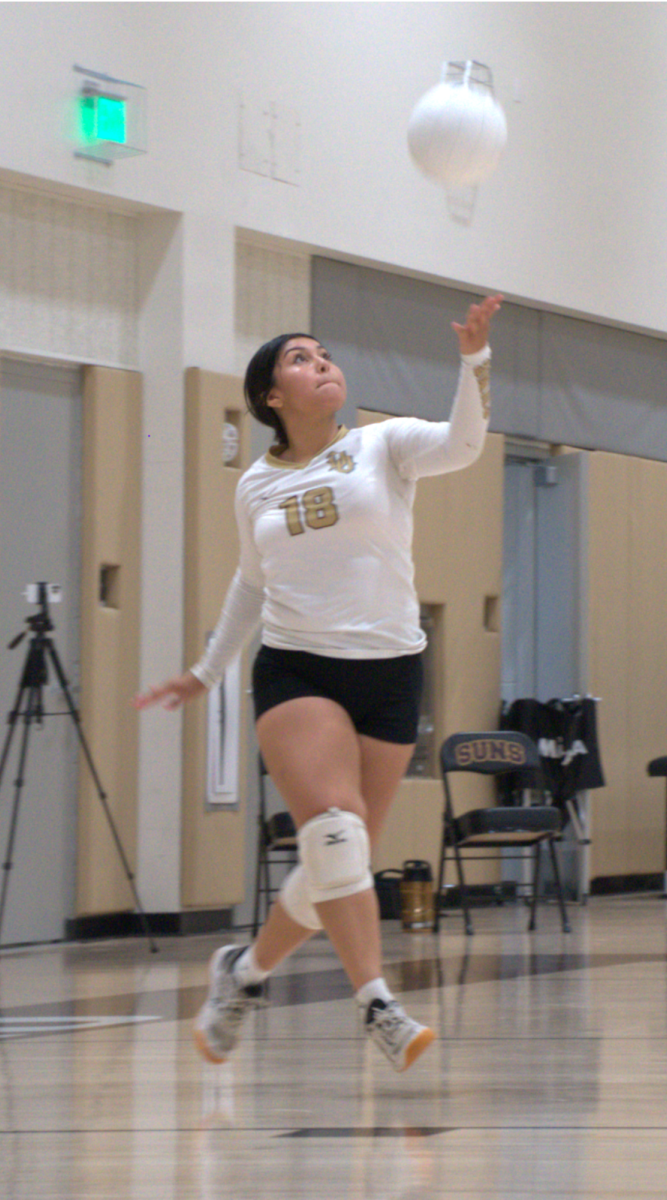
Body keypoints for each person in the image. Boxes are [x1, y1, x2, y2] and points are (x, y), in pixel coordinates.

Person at [134, 292, 503, 1072]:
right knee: (334, 831)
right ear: (272, 396)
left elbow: (465, 445)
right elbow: (250, 583)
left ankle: (244, 975)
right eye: (300, 358)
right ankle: (378, 1004)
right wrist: (207, 670)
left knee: (335, 860)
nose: (321, 363)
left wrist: (473, 361)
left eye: (324, 353)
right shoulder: (254, 486)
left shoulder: (385, 446)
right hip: (297, 667)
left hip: (393, 670)